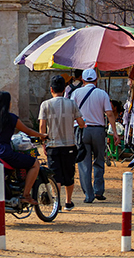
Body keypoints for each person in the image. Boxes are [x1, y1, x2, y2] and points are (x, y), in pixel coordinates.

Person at [0, 91, 46, 205]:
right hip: (3, 151)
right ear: (8, 104)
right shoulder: (10, 118)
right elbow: (27, 131)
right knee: (35, 163)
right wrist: (42, 135)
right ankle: (26, 194)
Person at [70, 69, 120, 203]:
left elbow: (70, 113)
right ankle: (98, 191)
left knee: (84, 164)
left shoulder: (75, 93)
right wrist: (114, 132)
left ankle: (88, 194)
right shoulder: (102, 93)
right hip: (98, 130)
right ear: (96, 80)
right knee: (99, 160)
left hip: (81, 131)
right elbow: (109, 114)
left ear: (83, 80)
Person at [39, 74, 86, 212]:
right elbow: (81, 123)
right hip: (69, 144)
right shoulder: (71, 103)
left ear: (51, 89)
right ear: (65, 90)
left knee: (55, 175)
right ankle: (69, 202)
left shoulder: (45, 104)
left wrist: (43, 142)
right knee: (69, 174)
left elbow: (42, 127)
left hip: (53, 144)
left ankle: (57, 203)